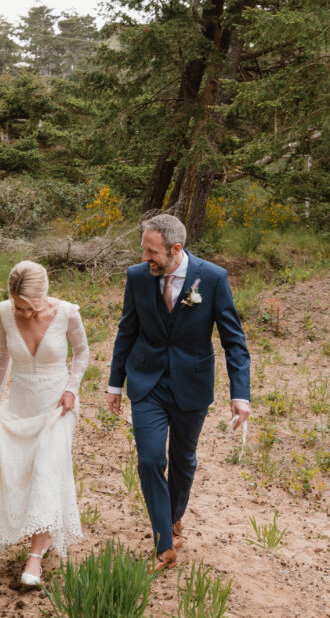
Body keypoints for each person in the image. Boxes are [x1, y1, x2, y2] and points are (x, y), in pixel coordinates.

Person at [107, 214, 251, 572]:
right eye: (143, 250)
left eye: (152, 252)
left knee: (183, 459)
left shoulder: (213, 278)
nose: (145, 258)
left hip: (192, 384)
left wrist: (241, 394)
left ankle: (173, 519)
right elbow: (127, 330)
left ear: (175, 249)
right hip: (147, 382)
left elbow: (234, 340)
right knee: (151, 459)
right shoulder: (137, 277)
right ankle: (164, 543)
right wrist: (115, 384)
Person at [0, 260, 89, 586]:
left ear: (45, 292)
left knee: (45, 470)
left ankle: (34, 559)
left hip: (58, 406)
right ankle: (45, 533)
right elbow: (2, 355)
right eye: (18, 306)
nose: (24, 314)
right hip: (22, 404)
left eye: (30, 307)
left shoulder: (67, 312)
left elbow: (82, 352)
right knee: (20, 470)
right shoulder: (2, 312)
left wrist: (71, 388)